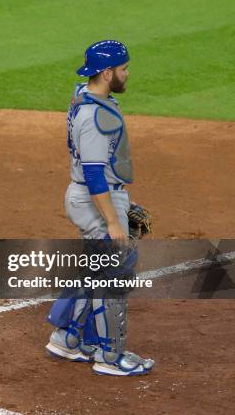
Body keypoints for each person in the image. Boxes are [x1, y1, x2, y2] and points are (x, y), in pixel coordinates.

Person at [45, 40, 155, 376]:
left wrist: (124, 204)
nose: (127, 73)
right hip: (96, 197)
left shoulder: (86, 96)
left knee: (97, 270)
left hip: (97, 194)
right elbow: (94, 175)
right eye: (123, 68)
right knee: (115, 274)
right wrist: (113, 221)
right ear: (107, 73)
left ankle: (68, 338)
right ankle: (110, 357)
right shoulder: (95, 117)